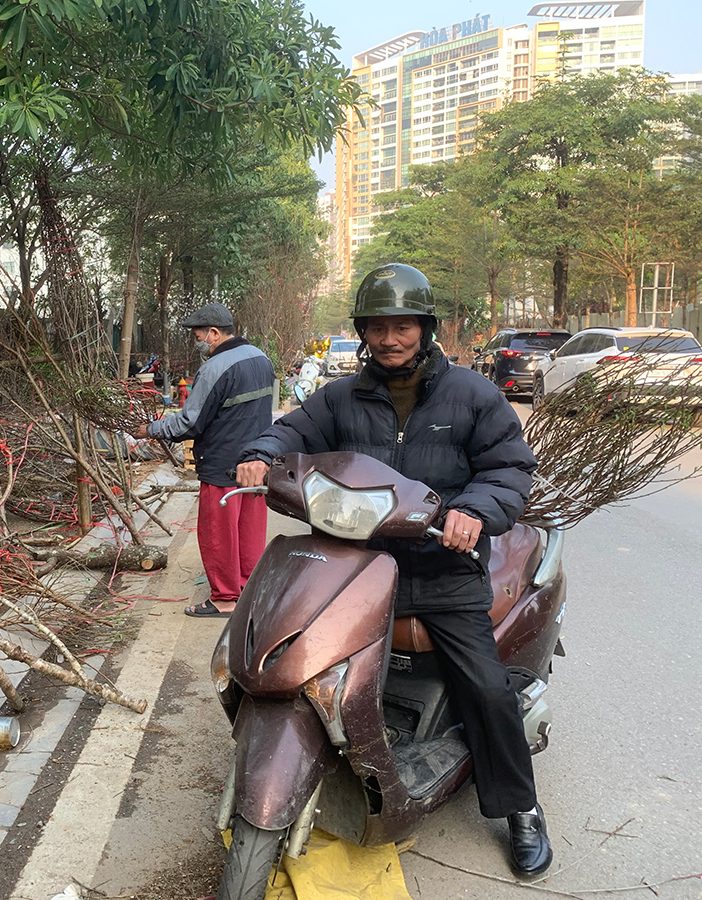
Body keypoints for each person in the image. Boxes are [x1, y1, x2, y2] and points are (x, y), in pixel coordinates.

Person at [235, 264, 553, 877]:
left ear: (425, 328)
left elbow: (509, 469)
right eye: (377, 327)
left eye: (402, 325)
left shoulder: (471, 394)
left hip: (442, 569)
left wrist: (472, 511)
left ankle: (521, 808)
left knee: (486, 686)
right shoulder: (339, 398)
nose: (389, 338)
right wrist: (259, 455)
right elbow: (290, 431)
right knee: (292, 649)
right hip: (355, 565)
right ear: (362, 332)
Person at [134, 303, 275, 618]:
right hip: (258, 463)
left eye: (199, 337)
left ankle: (225, 598)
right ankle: (248, 590)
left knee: (219, 535)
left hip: (222, 464)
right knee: (250, 530)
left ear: (214, 333)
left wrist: (150, 429)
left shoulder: (215, 367)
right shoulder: (260, 358)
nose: (199, 343)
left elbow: (189, 423)